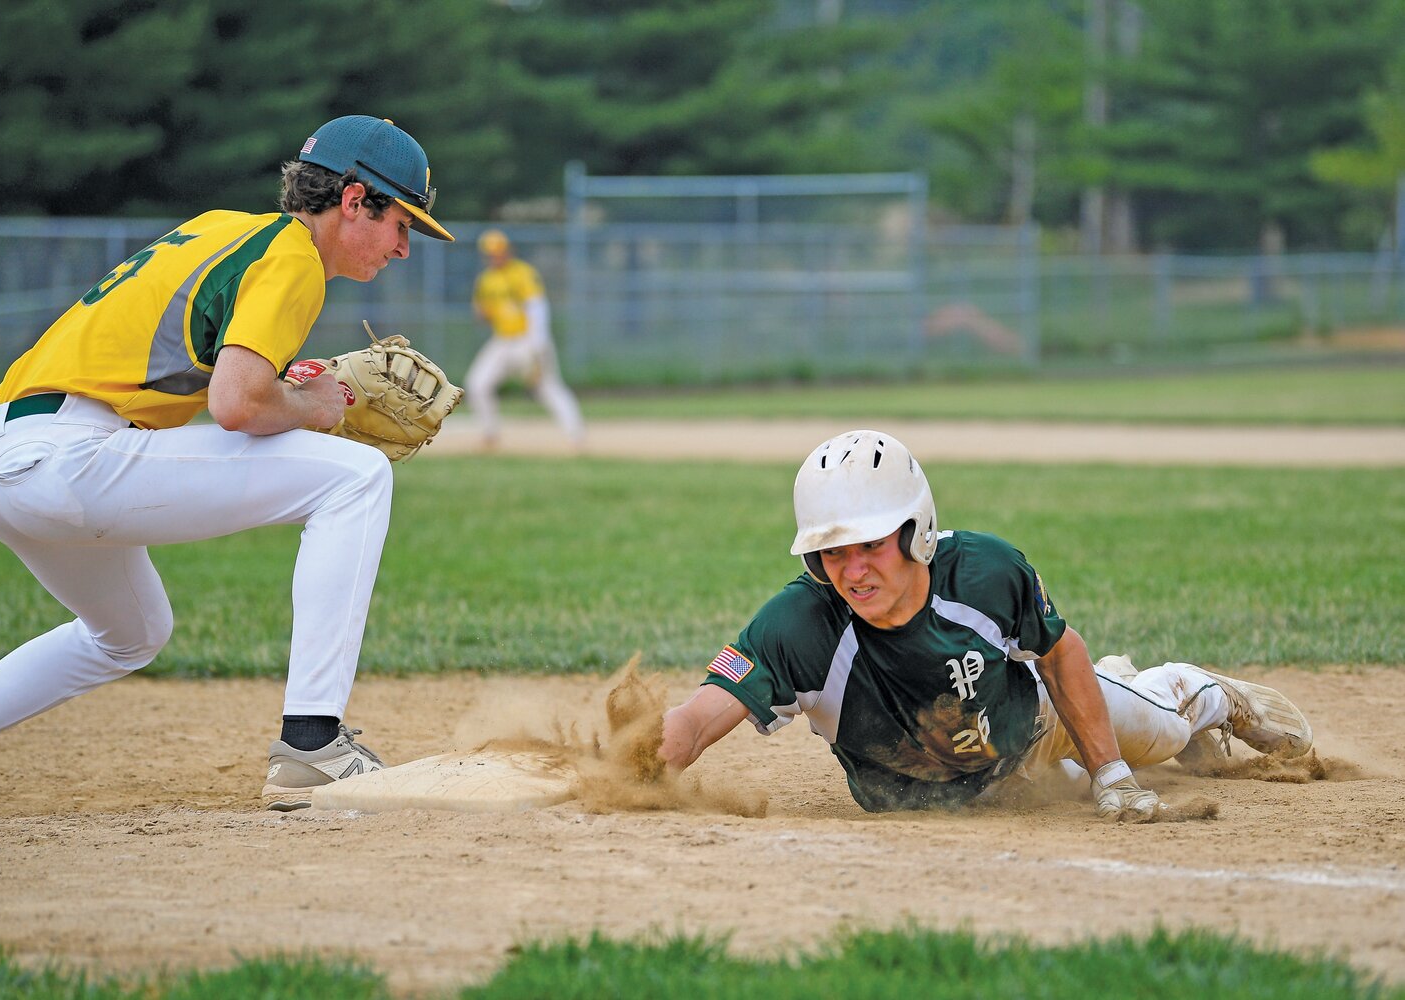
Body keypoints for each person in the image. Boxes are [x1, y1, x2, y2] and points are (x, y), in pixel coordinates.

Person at [0, 115, 456, 820]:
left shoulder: (223, 226)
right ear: (354, 201)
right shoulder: (294, 260)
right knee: (356, 477)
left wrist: (299, 387)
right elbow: (237, 405)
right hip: (71, 457)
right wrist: (328, 402)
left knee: (131, 633)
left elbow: (209, 367)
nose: (406, 247)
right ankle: (312, 744)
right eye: (402, 222)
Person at [657, 429, 1313, 821]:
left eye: (870, 545)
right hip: (965, 791)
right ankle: (1120, 690)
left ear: (916, 531)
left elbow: (1057, 653)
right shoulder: (797, 627)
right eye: (834, 552)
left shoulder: (982, 574)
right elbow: (692, 722)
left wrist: (1115, 776)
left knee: (1158, 732)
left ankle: (1201, 693)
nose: (853, 571)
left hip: (1034, 722)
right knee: (1063, 793)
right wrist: (629, 758)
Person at [465, 229, 584, 449]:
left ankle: (575, 436)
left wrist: (537, 348)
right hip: (503, 340)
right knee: (477, 384)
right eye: (490, 252)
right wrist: (482, 312)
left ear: (508, 250)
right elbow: (483, 311)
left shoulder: (522, 273)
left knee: (547, 387)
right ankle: (490, 435)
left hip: (528, 340)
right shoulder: (486, 279)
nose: (495, 256)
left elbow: (537, 309)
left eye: (498, 251)